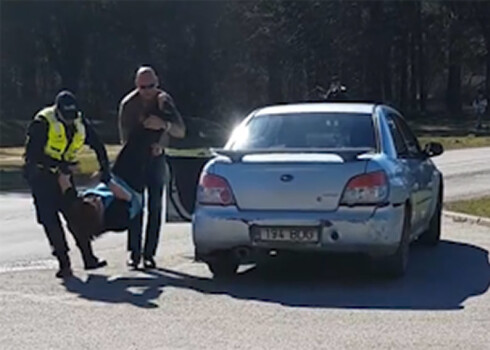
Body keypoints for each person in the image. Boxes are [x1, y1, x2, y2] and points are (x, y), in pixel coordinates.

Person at [23, 90, 110, 278]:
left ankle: (89, 258)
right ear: (57, 111)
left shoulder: (79, 121)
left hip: (64, 175)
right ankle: (64, 263)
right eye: (66, 116)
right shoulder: (42, 122)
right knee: (50, 220)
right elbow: (31, 155)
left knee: (75, 214)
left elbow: (97, 143)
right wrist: (60, 166)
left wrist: (105, 167)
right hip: (41, 176)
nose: (70, 120)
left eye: (72, 116)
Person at [58, 115, 170, 245]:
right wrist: (107, 181)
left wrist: (66, 169)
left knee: (132, 145)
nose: (94, 198)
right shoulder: (116, 219)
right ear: (98, 216)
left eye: (89, 199)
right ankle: (156, 126)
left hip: (116, 178)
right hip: (132, 191)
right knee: (142, 152)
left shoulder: (78, 207)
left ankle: (147, 124)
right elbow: (126, 197)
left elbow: (64, 183)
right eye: (96, 203)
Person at [118, 66, 185, 269]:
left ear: (157, 83)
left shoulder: (164, 101)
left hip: (157, 159)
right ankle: (134, 252)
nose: (147, 91)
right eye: (143, 87)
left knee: (155, 207)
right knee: (136, 206)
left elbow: (180, 130)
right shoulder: (128, 105)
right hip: (136, 159)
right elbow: (124, 139)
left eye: (151, 86)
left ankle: (149, 254)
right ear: (136, 86)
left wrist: (163, 128)